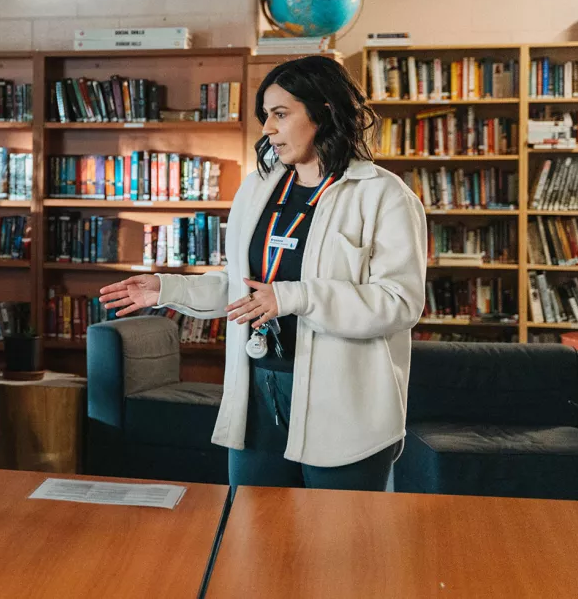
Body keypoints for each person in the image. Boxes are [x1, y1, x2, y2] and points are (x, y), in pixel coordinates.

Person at [99, 55, 427, 492]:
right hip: (257, 396)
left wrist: (293, 297)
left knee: (339, 552)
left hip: (344, 407)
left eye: (280, 114)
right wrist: (165, 287)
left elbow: (399, 303)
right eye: (265, 116)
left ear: (324, 110)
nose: (268, 128)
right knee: (251, 543)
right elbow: (241, 287)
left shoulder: (383, 195)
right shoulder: (260, 187)